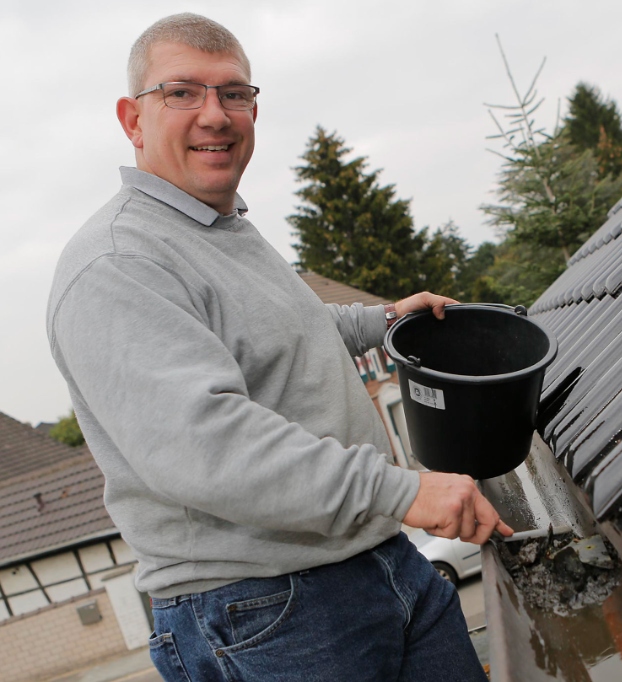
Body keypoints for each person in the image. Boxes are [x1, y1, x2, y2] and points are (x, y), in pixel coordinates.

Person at [46, 13, 511, 681]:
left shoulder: (222, 228)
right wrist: (401, 490)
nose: (216, 114)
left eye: (235, 93)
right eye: (182, 92)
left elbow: (288, 332)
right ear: (132, 119)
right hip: (268, 614)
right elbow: (210, 446)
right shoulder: (118, 263)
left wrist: (384, 320)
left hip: (378, 561)